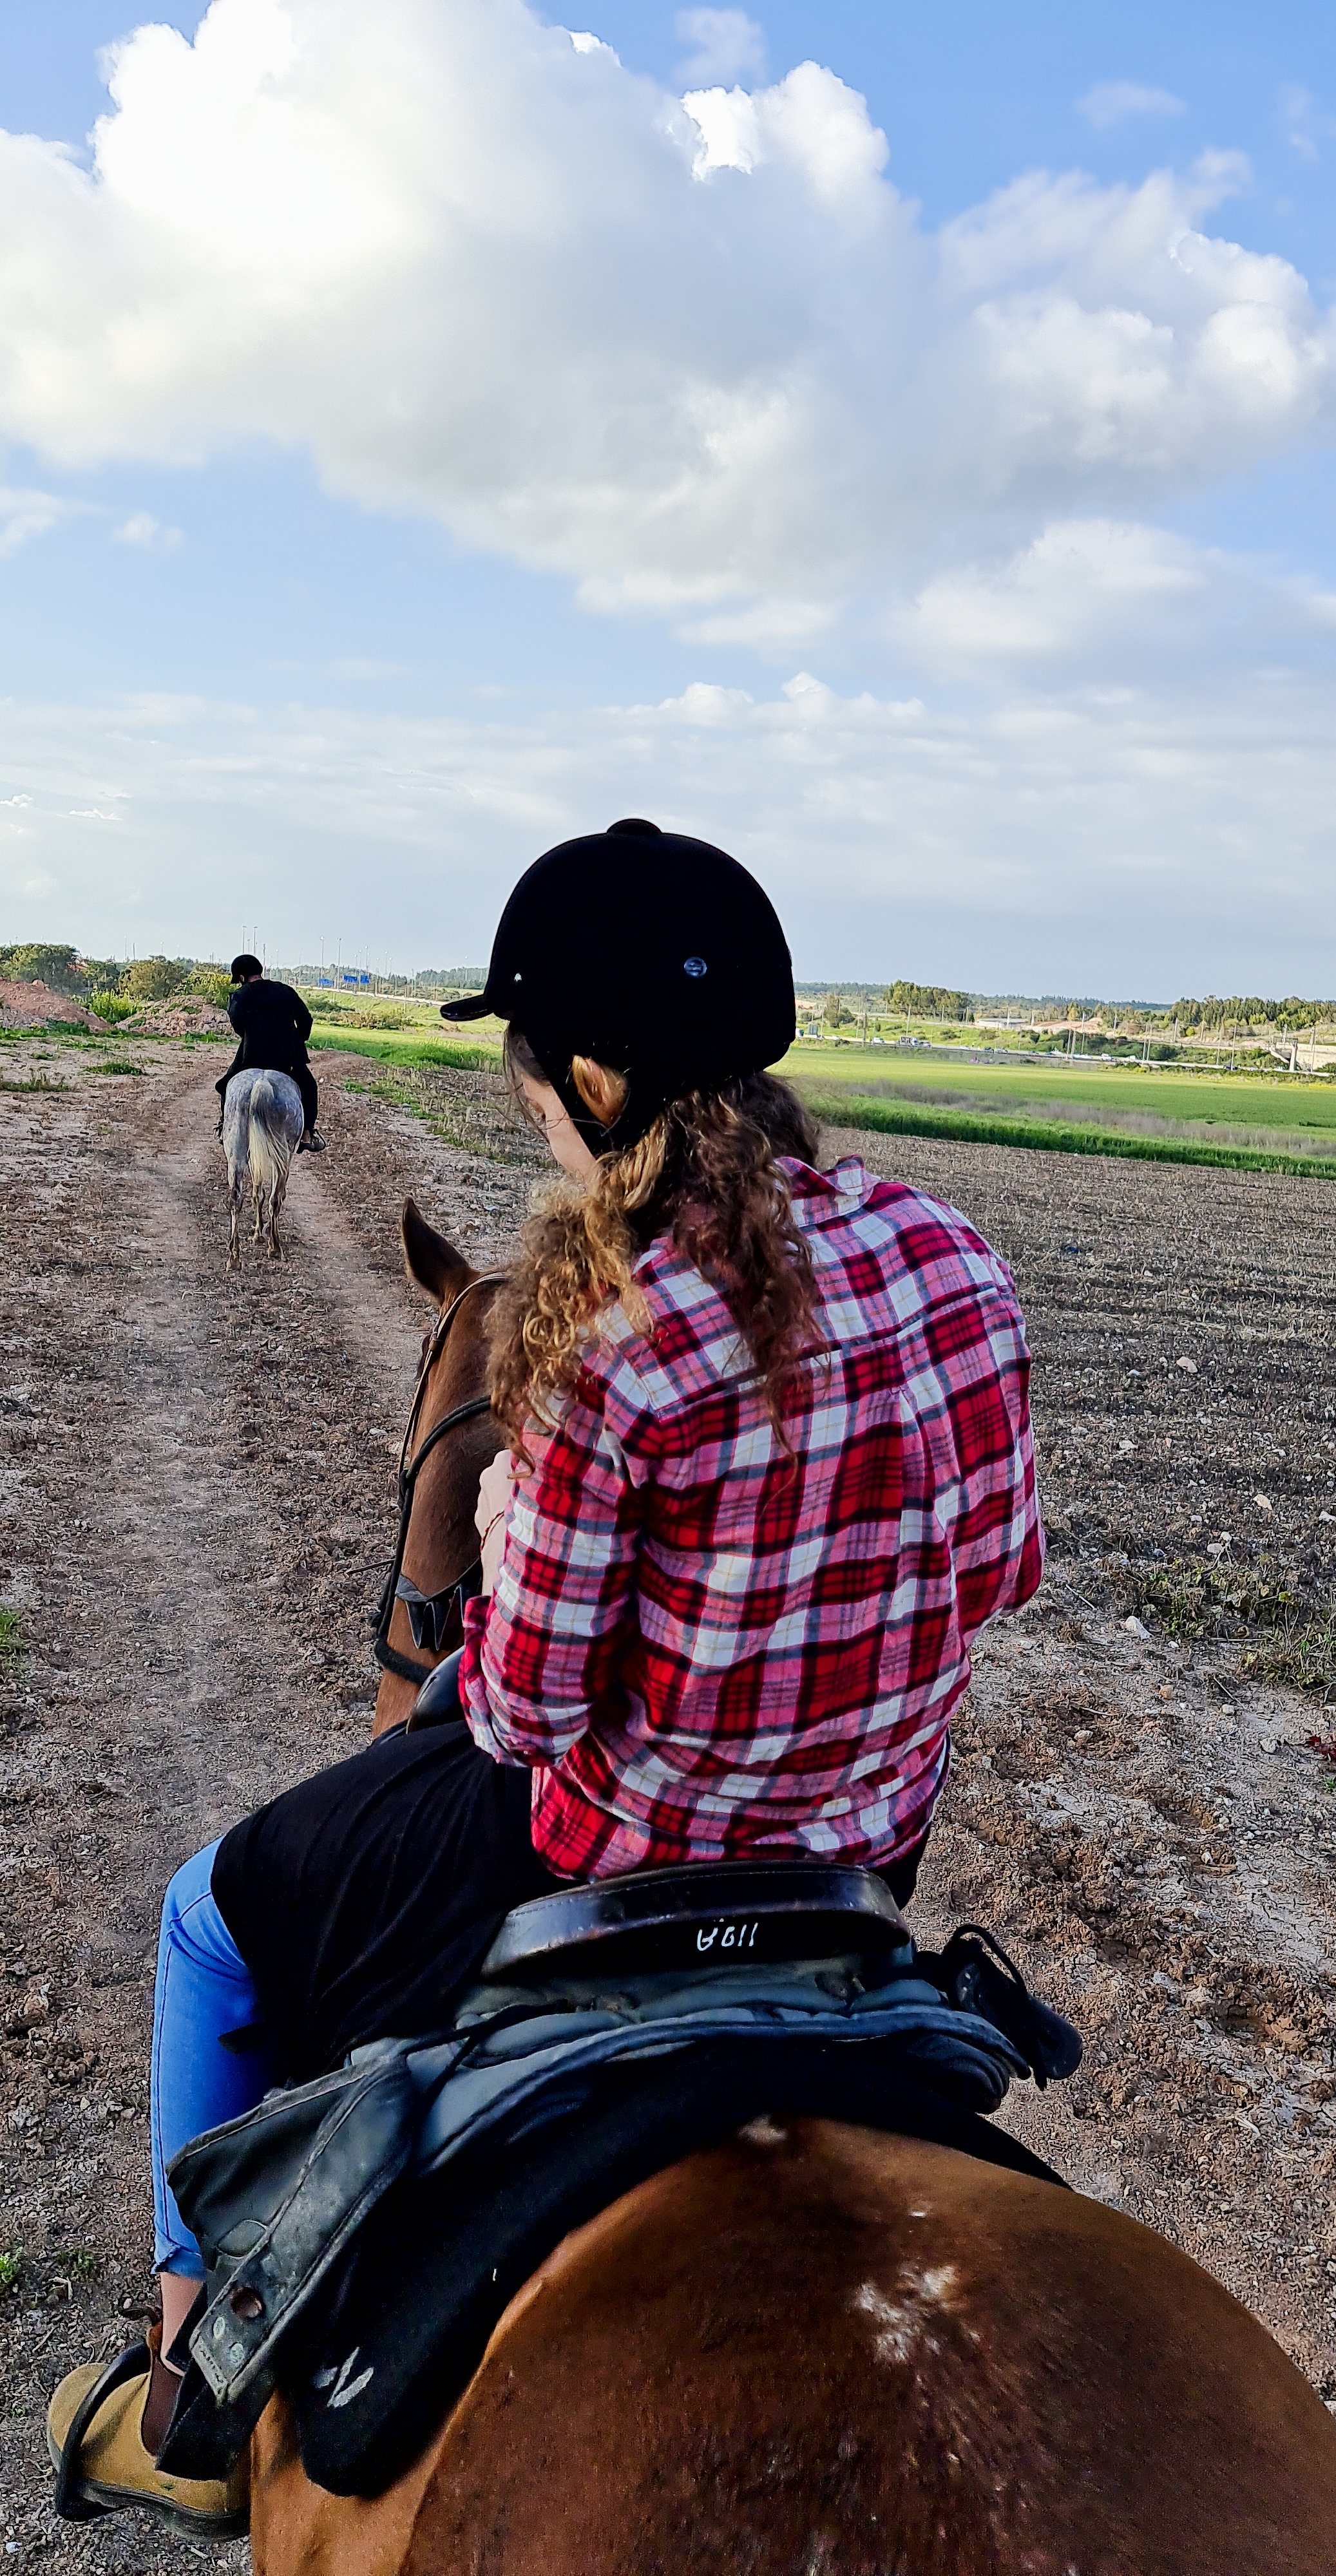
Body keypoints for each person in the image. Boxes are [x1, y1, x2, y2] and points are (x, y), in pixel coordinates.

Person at [48, 819, 1042, 2533]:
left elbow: (521, 1708)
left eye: (523, 1072)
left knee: (211, 1916)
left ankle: (187, 2383)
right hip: (864, 1854)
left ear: (589, 1078)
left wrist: (519, 1532)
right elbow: (1000, 1576)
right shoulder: (956, 1258)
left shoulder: (611, 1333)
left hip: (613, 1857)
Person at [214, 953, 324, 1151]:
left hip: (252, 1057)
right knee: (309, 1088)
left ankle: (224, 1126)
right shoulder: (286, 991)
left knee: (226, 1085)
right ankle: (307, 1133)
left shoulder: (240, 996)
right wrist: (297, 1040)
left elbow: (238, 1023)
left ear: (241, 977)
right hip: (287, 1058)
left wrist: (252, 1036)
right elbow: (306, 1020)